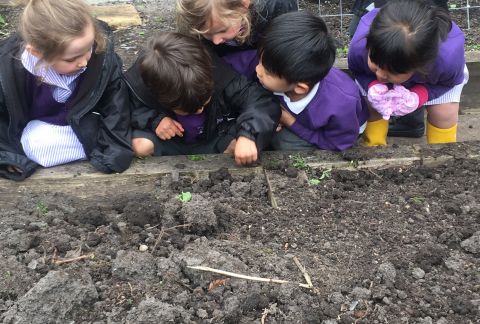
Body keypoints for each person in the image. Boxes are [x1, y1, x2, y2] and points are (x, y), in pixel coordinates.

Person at [0, 0, 133, 181]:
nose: (84, 62)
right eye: (71, 59)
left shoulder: (101, 60)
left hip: (84, 123)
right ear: (37, 53)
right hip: (34, 130)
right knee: (35, 142)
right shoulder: (8, 71)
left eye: (89, 48)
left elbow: (116, 104)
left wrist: (114, 152)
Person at [124, 32, 281, 165]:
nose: (199, 110)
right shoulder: (139, 83)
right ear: (161, 97)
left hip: (214, 137)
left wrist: (248, 135)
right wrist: (155, 120)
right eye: (188, 110)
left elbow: (260, 100)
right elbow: (126, 109)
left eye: (204, 102)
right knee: (139, 146)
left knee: (240, 147)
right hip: (173, 143)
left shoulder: (215, 74)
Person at [348, 0, 467, 146]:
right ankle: (374, 146)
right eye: (375, 63)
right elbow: (359, 72)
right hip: (397, 64)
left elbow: (448, 84)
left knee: (443, 113)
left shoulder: (446, 60)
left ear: (420, 65)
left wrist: (420, 95)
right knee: (372, 105)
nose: (380, 75)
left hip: (435, 81)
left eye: (391, 72)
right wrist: (372, 85)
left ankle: (442, 151)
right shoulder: (359, 47)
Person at [254, 11, 369, 151]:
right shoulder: (285, 71)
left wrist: (291, 122)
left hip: (337, 135)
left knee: (282, 142)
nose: (257, 70)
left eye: (266, 72)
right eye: (260, 62)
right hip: (303, 118)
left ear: (300, 88)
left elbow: (339, 143)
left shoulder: (340, 105)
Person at [176, 0, 297, 79]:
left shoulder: (277, 5)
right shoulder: (193, 15)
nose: (216, 41)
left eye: (222, 30)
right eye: (206, 34)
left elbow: (287, 56)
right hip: (226, 70)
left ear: (244, 5)